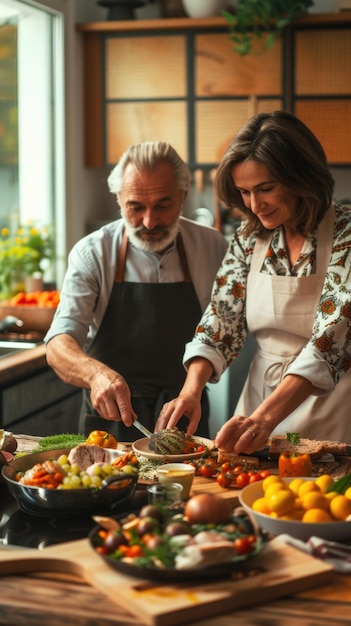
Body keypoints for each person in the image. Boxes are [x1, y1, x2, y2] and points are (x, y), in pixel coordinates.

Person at [155, 110, 351, 452]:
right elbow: (221, 320)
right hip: (258, 405)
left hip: (331, 408)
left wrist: (263, 420)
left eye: (265, 189)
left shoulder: (346, 233)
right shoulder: (249, 236)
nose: (254, 205)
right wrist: (191, 389)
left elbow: (330, 340)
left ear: (301, 178)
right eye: (244, 192)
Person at [45, 141, 228, 440]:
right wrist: (96, 375)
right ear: (119, 199)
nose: (149, 221)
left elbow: (221, 333)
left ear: (183, 196)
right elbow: (58, 345)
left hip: (184, 416)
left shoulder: (213, 247)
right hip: (110, 422)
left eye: (163, 205)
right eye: (135, 207)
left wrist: (192, 388)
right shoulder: (92, 253)